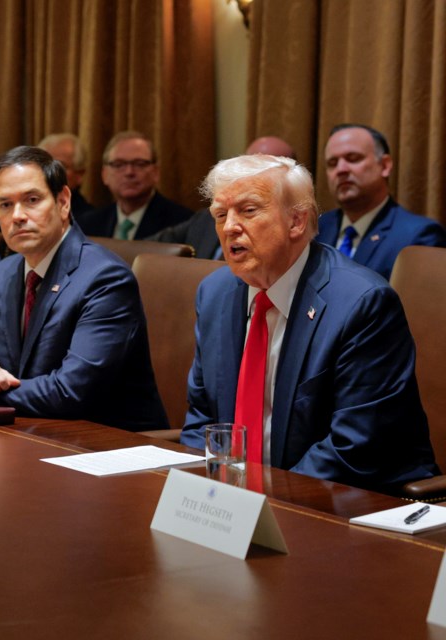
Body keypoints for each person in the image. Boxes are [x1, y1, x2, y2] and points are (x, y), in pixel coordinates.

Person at [180, 153, 437, 491]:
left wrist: (261, 502)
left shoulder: (361, 304)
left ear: (296, 222)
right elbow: (202, 421)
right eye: (220, 214)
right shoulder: (214, 294)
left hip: (350, 503)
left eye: (248, 210)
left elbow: (353, 449)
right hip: (240, 504)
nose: (229, 227)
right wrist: (209, 497)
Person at [0, 146, 168, 430]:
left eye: (31, 200)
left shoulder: (105, 279)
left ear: (63, 201)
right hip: (30, 433)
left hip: (105, 447)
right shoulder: (0, 274)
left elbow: (70, 392)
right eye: (5, 204)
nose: (17, 215)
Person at [316, 124, 446, 280]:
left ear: (385, 165)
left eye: (353, 158)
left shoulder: (418, 237)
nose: (341, 169)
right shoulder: (316, 227)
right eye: (332, 163)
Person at [150, 136, 296, 259]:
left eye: (267, 170)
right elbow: (148, 245)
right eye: (250, 167)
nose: (229, 227)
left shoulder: (291, 223)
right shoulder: (206, 218)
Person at [77, 131, 192, 239]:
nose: (129, 172)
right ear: (105, 174)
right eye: (119, 164)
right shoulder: (87, 224)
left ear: (156, 172)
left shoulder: (182, 222)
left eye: (139, 164)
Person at [38, 133, 93, 216]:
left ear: (79, 175)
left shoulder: (89, 220)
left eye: (59, 166)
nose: (48, 172)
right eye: (43, 164)